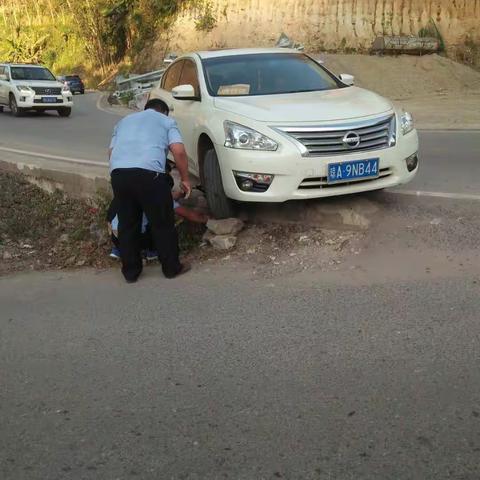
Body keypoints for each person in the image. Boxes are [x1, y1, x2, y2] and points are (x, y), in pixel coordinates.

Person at [109, 98, 191, 283]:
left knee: (127, 225)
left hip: (119, 174)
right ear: (164, 112)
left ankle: (130, 272)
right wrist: (185, 179)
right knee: (162, 223)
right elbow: (178, 151)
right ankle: (171, 268)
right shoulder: (166, 121)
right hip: (150, 175)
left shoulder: (123, 122)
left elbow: (111, 153)